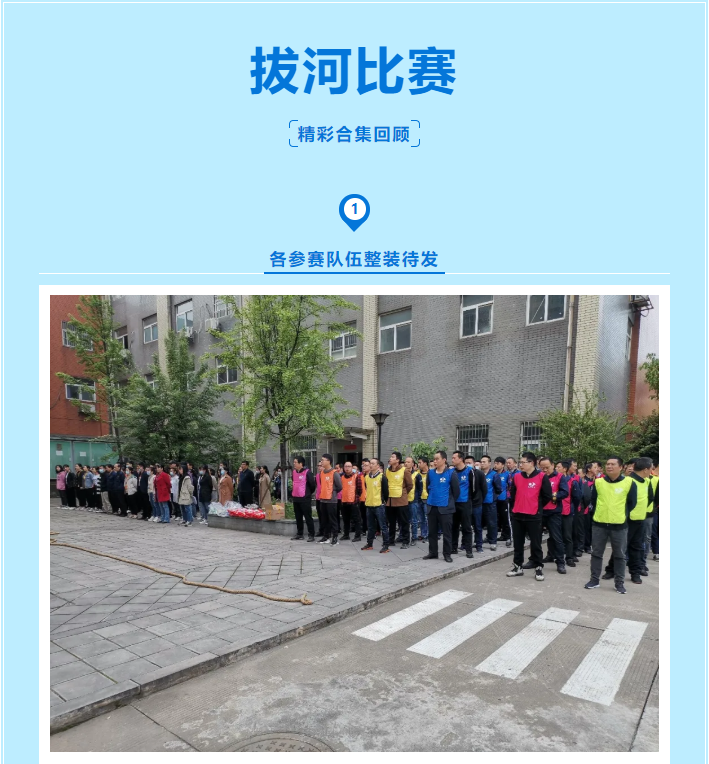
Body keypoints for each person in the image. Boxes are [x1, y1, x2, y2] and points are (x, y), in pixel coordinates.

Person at [584, 456, 637, 594]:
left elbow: (632, 503)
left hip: (619, 525)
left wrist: (621, 514)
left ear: (621, 467)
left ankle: (619, 583)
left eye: (613, 464)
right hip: (599, 524)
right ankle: (594, 580)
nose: (609, 466)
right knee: (596, 553)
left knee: (620, 555)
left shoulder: (629, 482)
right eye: (607, 464)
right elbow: (594, 500)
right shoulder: (599, 482)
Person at [506, 452, 552, 580]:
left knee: (536, 543)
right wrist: (515, 509)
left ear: (531, 463)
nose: (520, 465)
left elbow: (547, 496)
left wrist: (537, 507)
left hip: (534, 515)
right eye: (520, 462)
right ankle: (517, 567)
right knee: (518, 543)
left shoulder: (542, 477)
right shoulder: (517, 477)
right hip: (518, 515)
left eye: (523, 462)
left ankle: (538, 568)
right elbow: (512, 495)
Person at [609, 457, 654, 585]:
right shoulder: (627, 481)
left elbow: (651, 498)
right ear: (645, 469)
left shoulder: (647, 481)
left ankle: (635, 573)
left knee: (637, 548)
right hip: (627, 520)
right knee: (621, 547)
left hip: (640, 519)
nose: (651, 470)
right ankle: (611, 570)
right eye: (651, 468)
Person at [422, 450, 459, 563]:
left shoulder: (451, 473)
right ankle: (433, 552)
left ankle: (447, 554)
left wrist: (448, 502)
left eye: (437, 459)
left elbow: (456, 492)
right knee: (432, 532)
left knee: (447, 533)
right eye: (434, 459)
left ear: (444, 460)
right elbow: (428, 487)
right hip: (432, 506)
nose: (435, 461)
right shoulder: (430, 473)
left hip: (445, 508)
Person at [538, 457, 569, 574]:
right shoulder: (538, 476)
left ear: (553, 465)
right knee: (536, 538)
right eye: (542, 468)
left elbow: (564, 492)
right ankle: (537, 559)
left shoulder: (560, 477)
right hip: (540, 511)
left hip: (553, 512)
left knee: (556, 537)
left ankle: (560, 562)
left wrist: (551, 496)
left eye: (547, 467)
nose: (545, 470)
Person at [361, 458, 390, 553]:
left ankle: (386, 545)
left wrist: (383, 501)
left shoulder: (382, 477)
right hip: (369, 505)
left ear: (378, 466)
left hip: (379, 505)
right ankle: (369, 544)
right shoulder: (366, 477)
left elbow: (386, 493)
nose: (371, 465)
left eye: (373, 463)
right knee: (370, 527)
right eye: (370, 463)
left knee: (383, 526)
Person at [385, 452, 413, 548]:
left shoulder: (404, 470)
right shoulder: (387, 471)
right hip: (390, 500)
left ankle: (405, 541)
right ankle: (391, 540)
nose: (390, 458)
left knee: (404, 522)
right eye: (390, 456)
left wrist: (403, 493)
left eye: (392, 457)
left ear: (397, 460)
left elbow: (410, 485)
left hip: (401, 500)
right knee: (391, 522)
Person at [451, 450, 474, 559]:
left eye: (454, 458)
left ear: (460, 459)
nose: (452, 460)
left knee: (466, 527)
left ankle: (468, 550)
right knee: (454, 527)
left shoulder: (470, 471)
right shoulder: (452, 472)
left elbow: (475, 488)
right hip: (454, 503)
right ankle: (453, 547)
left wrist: (471, 500)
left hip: (465, 503)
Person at [317, 454, 343, 545]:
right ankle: (326, 536)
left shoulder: (334, 473)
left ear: (328, 461)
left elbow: (339, 486)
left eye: (323, 460)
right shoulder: (322, 473)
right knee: (324, 519)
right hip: (323, 499)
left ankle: (335, 537)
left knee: (333, 519)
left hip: (331, 500)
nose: (321, 462)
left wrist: (333, 492)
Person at [291, 455, 317, 541]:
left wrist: (308, 494)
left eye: (295, 462)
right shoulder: (294, 472)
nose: (294, 464)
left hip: (305, 499)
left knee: (308, 517)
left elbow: (312, 485)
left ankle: (311, 534)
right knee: (298, 517)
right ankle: (299, 534)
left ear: (301, 463)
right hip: (296, 498)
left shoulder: (307, 472)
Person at [465, 455, 486, 553]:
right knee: (466, 525)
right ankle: (465, 544)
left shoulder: (479, 473)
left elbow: (484, 489)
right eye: (466, 463)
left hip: (477, 503)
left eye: (469, 463)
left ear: (474, 463)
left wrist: (480, 499)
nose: (467, 464)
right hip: (466, 503)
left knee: (478, 526)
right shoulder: (463, 473)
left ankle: (479, 545)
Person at [340, 462, 363, 542]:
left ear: (352, 468)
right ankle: (346, 535)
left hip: (353, 502)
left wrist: (356, 497)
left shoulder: (356, 476)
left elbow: (360, 489)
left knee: (356, 519)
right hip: (344, 501)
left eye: (349, 466)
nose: (347, 468)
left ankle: (357, 536)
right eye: (345, 466)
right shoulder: (342, 477)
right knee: (345, 519)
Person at [479, 455, 498, 551]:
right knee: (478, 523)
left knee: (491, 523)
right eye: (481, 462)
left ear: (489, 463)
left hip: (490, 503)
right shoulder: (478, 474)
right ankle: (478, 541)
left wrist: (492, 498)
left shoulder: (494, 475)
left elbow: (498, 489)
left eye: (484, 462)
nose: (482, 463)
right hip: (479, 503)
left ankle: (493, 542)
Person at [493, 457, 511, 546]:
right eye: (495, 463)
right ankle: (494, 536)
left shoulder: (507, 474)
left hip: (504, 499)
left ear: (503, 465)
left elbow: (510, 486)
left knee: (505, 518)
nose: (495, 465)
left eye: (498, 463)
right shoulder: (493, 474)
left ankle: (507, 536)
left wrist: (508, 496)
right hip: (494, 500)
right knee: (495, 519)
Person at [405, 456, 422, 547]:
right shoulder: (402, 473)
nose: (406, 463)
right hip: (403, 501)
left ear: (412, 464)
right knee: (404, 521)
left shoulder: (416, 475)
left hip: (413, 501)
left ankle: (414, 537)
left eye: (408, 462)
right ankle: (404, 537)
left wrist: (417, 498)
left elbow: (420, 488)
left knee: (414, 521)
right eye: (405, 462)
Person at [416, 457, 430, 541]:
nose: (418, 464)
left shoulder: (431, 473)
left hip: (427, 498)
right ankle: (423, 534)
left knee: (427, 518)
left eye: (420, 462)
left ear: (425, 463)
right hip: (419, 499)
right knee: (421, 519)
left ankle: (429, 535)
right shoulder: (417, 474)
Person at [649, 462, 659, 561]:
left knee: (655, 531)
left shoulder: (656, 480)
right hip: (643, 511)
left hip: (654, 509)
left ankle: (656, 552)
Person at [359, 458, 370, 535]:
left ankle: (372, 530)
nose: (364, 467)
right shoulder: (360, 476)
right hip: (362, 499)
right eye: (363, 465)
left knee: (370, 516)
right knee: (363, 515)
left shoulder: (372, 476)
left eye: (366, 465)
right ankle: (364, 529)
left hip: (370, 499)